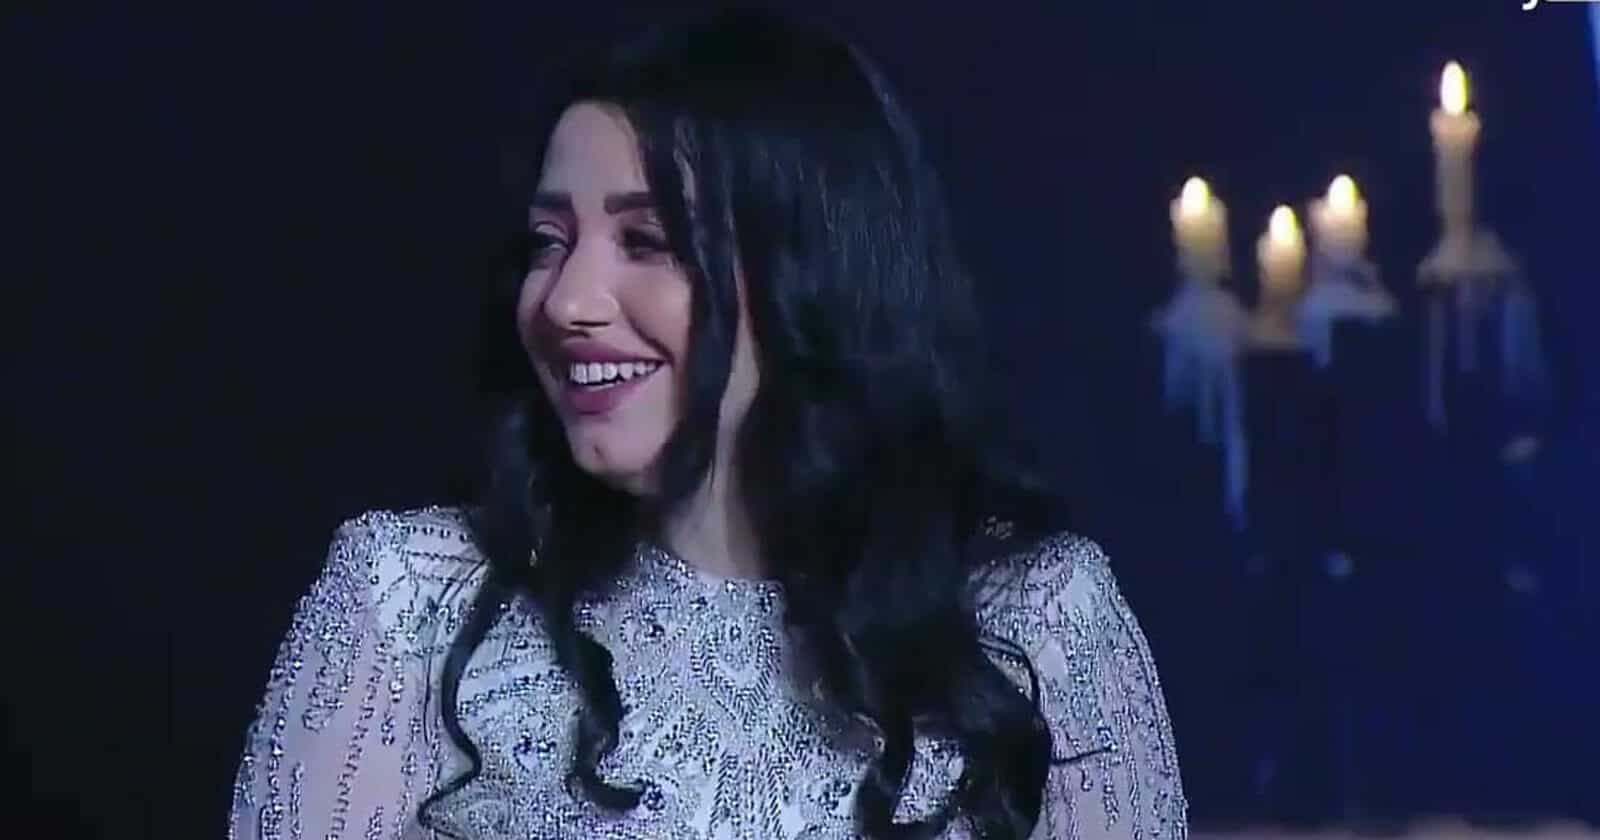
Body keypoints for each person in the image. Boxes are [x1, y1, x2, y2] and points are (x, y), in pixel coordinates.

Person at [227, 8, 1187, 839]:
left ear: (810, 275)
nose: (566, 301)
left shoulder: (1034, 618)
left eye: (647, 241)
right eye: (549, 242)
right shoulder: (411, 601)